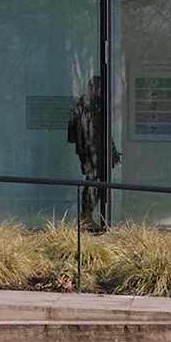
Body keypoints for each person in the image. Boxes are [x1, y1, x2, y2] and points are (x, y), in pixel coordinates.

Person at [65, 73, 115, 231]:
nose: (99, 91)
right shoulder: (84, 104)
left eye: (101, 87)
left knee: (99, 181)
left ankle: (89, 216)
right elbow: (78, 130)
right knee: (93, 180)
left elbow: (104, 130)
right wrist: (85, 149)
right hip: (89, 150)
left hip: (96, 150)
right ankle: (86, 217)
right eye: (97, 87)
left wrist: (111, 150)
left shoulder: (97, 104)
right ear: (91, 88)